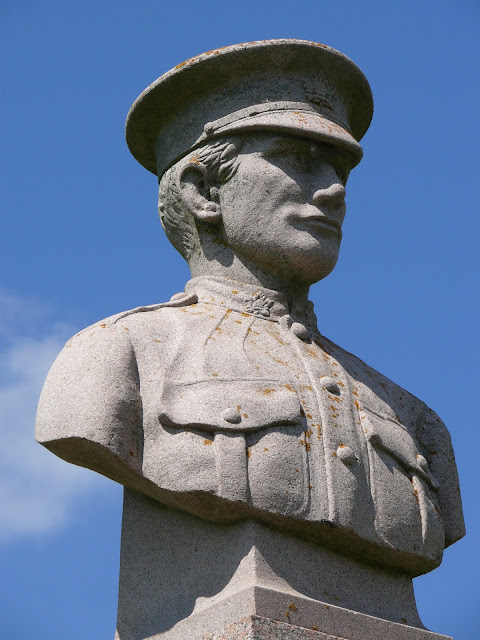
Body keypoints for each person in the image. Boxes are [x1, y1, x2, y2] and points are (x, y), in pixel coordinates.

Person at [36, 39, 464, 577]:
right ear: (203, 192)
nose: (334, 191)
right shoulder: (119, 354)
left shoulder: (416, 420)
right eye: (298, 160)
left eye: (341, 170)